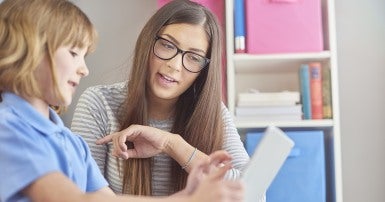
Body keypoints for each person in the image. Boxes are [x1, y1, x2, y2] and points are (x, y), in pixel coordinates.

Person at [0, 0, 244, 201]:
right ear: (29, 52)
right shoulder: (9, 128)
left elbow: (107, 199)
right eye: (74, 53)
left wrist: (175, 151)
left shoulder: (68, 141)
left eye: (194, 57)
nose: (174, 64)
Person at [71, 0, 250, 196]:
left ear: (204, 70)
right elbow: (81, 195)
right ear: (148, 42)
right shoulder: (100, 103)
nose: (175, 65)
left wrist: (172, 144)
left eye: (194, 57)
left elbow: (252, 193)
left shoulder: (214, 113)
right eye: (167, 45)